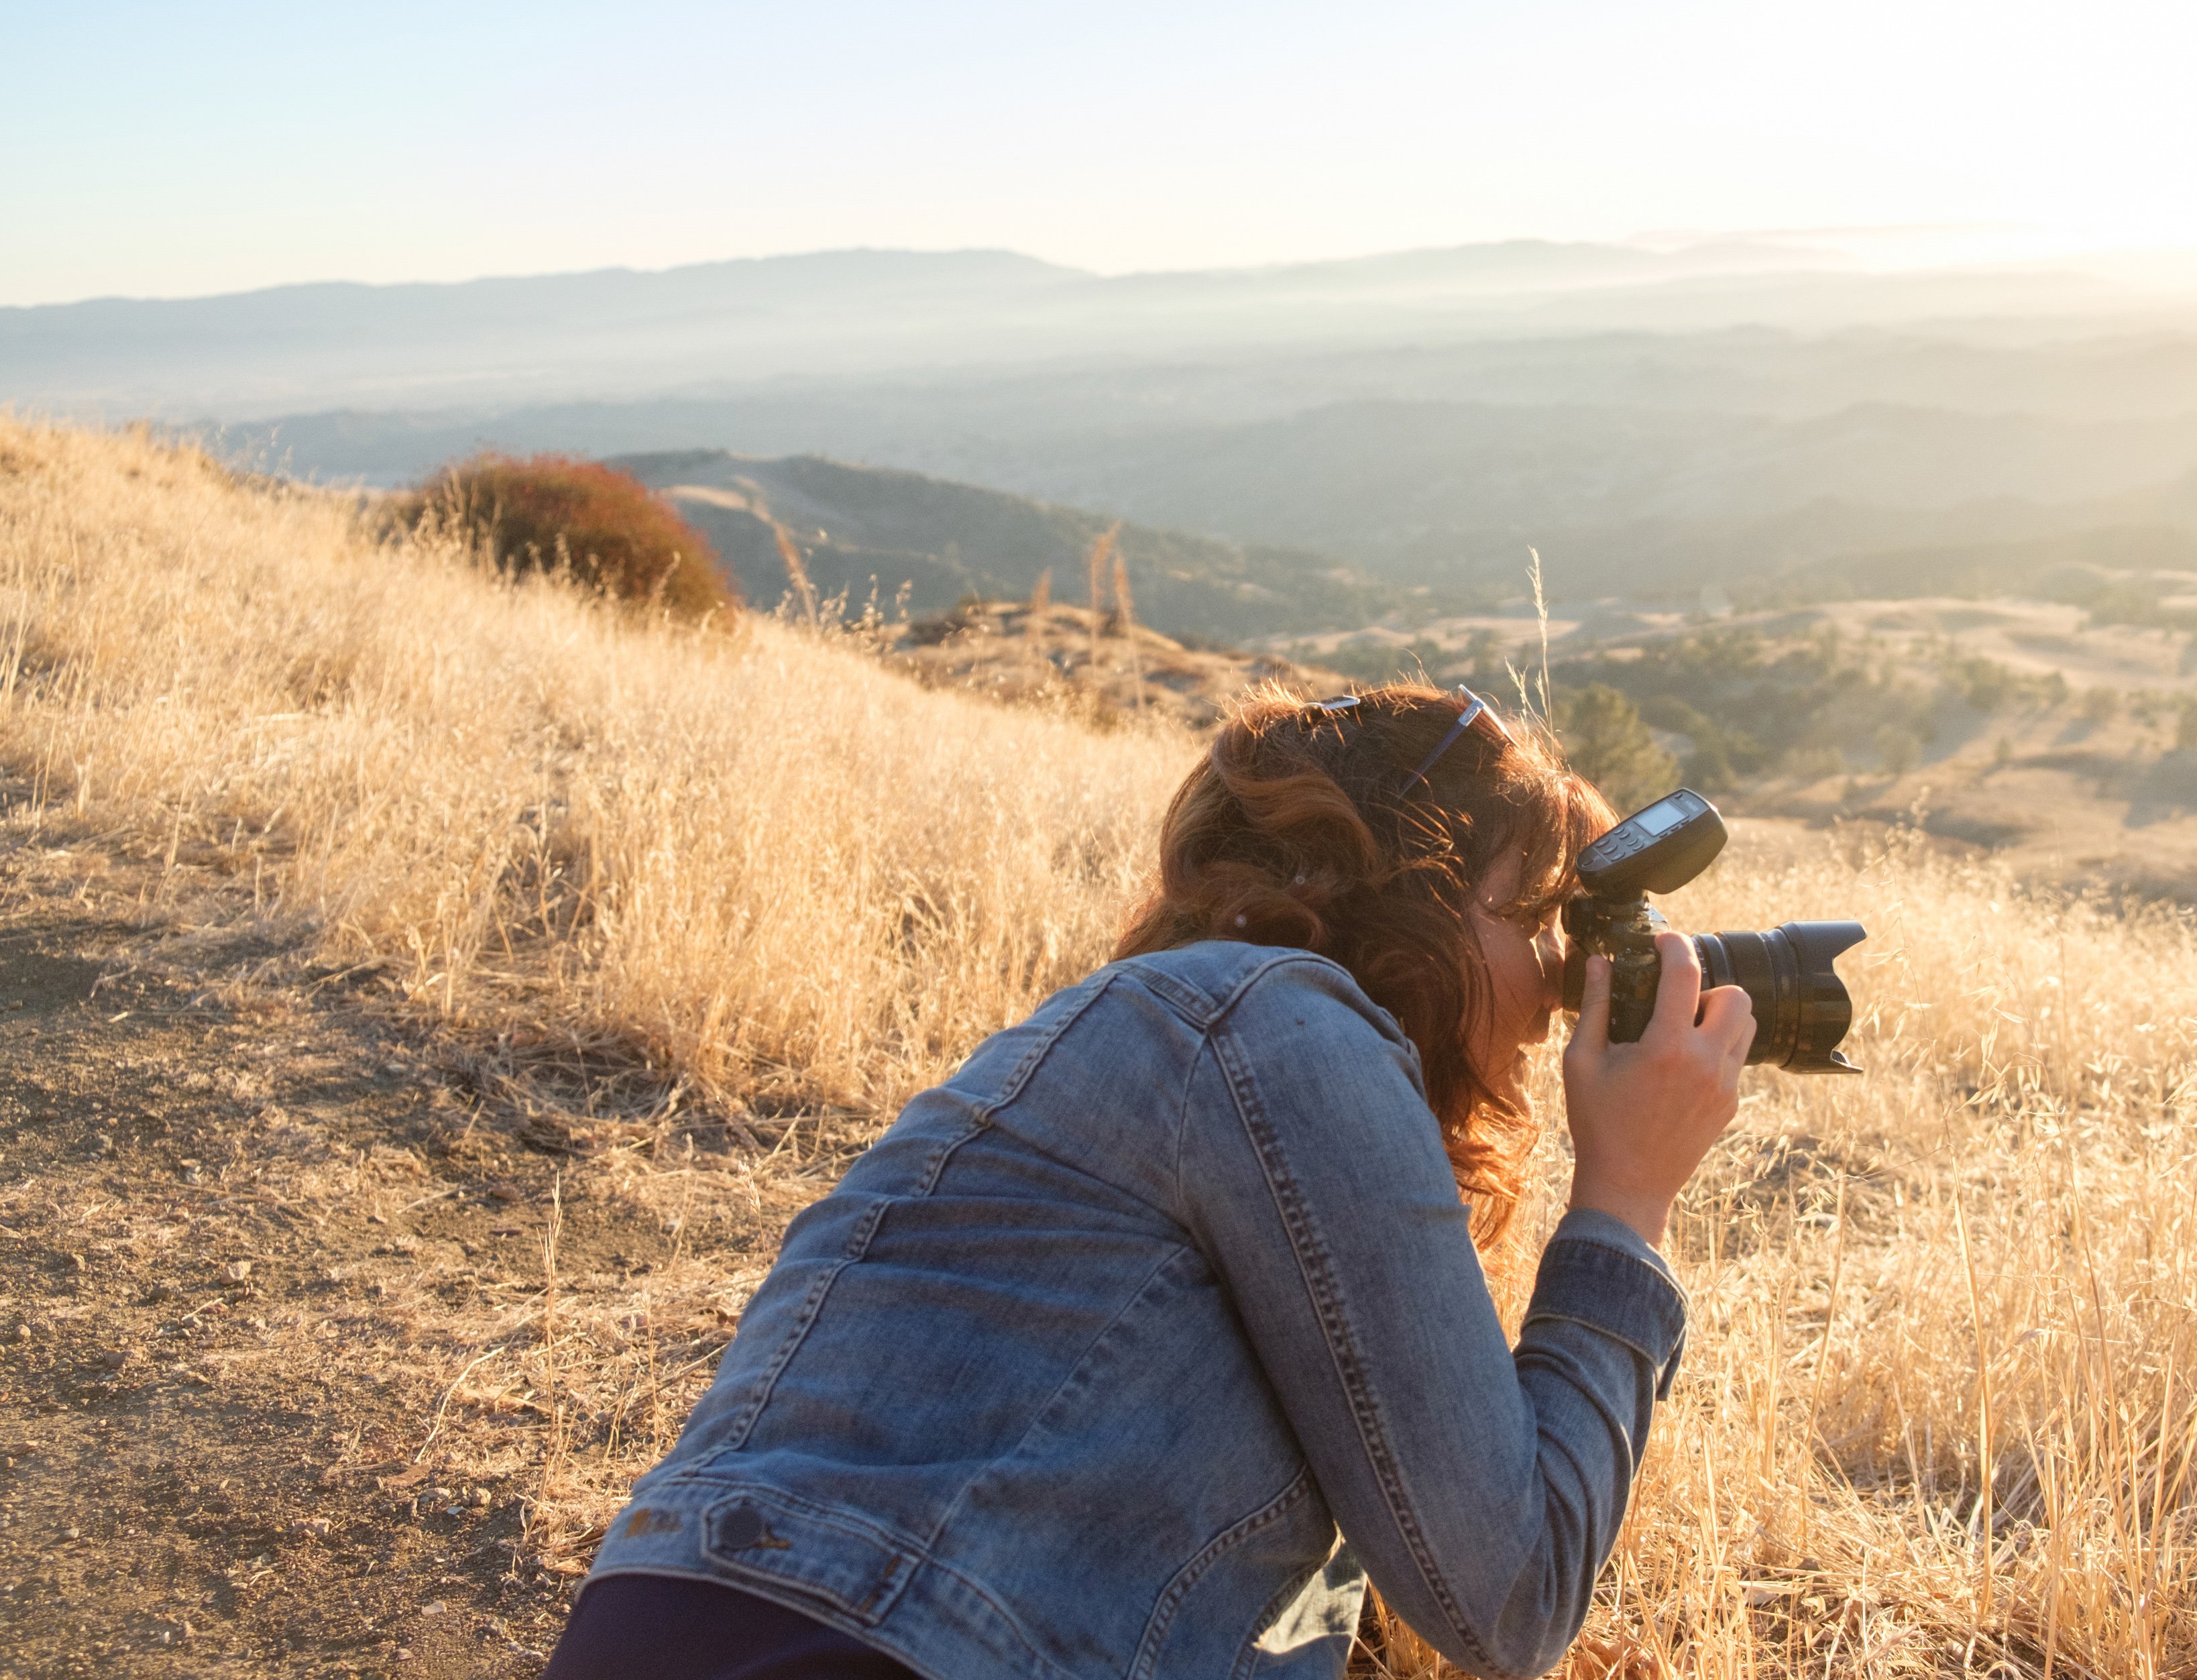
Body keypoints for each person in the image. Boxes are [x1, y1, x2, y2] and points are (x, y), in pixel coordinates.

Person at [546, 683, 1756, 1680]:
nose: (1557, 983)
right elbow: (1512, 1600)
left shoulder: (1174, 1053)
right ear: (1406, 896)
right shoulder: (1278, 1024)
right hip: (855, 1645)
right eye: (1532, 915)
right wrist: (1626, 1203)